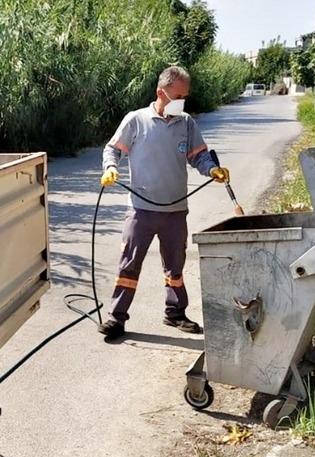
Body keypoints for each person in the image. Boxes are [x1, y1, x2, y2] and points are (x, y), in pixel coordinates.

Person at [98, 66, 229, 339]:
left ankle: (175, 313)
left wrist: (212, 169)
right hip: (141, 210)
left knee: (175, 267)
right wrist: (110, 167)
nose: (182, 101)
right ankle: (116, 317)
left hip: (175, 211)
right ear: (161, 92)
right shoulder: (136, 121)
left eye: (185, 96)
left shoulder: (187, 123)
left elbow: (199, 156)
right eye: (177, 95)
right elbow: (112, 149)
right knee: (129, 265)